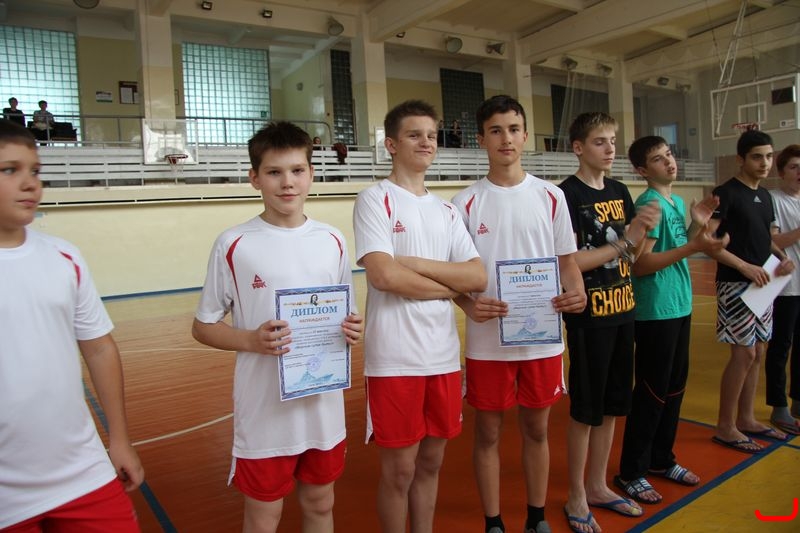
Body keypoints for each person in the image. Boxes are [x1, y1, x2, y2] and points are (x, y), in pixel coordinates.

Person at [192, 121, 364, 533]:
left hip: (322, 407)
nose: (287, 182)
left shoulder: (333, 240)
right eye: (274, 172)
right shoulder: (234, 243)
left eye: (297, 170)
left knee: (321, 502)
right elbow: (203, 326)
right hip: (265, 409)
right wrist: (251, 340)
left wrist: (353, 330)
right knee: (264, 514)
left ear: (311, 173)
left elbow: (348, 315)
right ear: (254, 178)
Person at [451, 95, 587, 533]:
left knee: (537, 430)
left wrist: (577, 292)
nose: (505, 138)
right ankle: (493, 522)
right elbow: (455, 278)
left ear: (526, 135)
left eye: (513, 129)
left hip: (542, 338)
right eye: (495, 130)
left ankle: (536, 517)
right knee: (488, 433)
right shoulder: (464, 203)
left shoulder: (551, 196)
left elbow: (567, 262)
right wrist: (469, 305)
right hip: (489, 342)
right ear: (481, 139)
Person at [0, 120, 144, 531]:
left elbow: (99, 348)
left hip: (82, 470)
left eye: (35, 170)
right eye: (10, 170)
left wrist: (119, 440)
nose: (29, 183)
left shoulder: (65, 257)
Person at [353, 99, 487, 533]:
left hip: (442, 357)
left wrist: (414, 263)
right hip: (395, 360)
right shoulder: (374, 199)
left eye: (431, 135)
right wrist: (451, 288)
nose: (426, 142)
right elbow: (384, 276)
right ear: (391, 144)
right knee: (400, 471)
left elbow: (477, 275)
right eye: (414, 135)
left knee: (431, 463)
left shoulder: (446, 211)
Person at [557, 112, 660, 533]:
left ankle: (598, 485)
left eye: (613, 141)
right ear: (578, 147)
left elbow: (633, 257)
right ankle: (576, 494)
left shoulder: (620, 191)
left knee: (615, 406)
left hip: (623, 309)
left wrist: (644, 233)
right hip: (590, 318)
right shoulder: (566, 195)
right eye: (600, 141)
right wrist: (624, 241)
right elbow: (569, 261)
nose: (610, 148)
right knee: (586, 411)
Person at [615, 136, 729, 505]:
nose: (669, 162)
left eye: (669, 155)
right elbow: (641, 264)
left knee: (674, 388)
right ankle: (632, 471)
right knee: (651, 391)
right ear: (641, 170)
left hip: (679, 305)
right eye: (657, 159)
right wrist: (695, 246)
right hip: (655, 310)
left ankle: (661, 459)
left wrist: (696, 227)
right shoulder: (649, 204)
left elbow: (678, 248)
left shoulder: (676, 202)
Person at [707, 129, 792, 454]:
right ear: (741, 159)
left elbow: (765, 238)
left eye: (769, 157)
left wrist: (781, 257)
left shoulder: (766, 197)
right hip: (735, 284)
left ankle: (746, 418)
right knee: (743, 354)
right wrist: (743, 267)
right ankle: (725, 426)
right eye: (757, 157)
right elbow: (710, 243)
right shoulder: (726, 193)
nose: (765, 163)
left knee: (758, 351)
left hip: (763, 283)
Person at [766, 144, 800, 436]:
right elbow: (773, 241)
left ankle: (798, 400)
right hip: (786, 286)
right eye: (794, 167)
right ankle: (779, 405)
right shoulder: (774, 200)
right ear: (781, 172)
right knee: (780, 346)